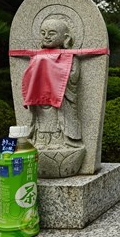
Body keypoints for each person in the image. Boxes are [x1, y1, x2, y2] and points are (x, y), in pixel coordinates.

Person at [29, 16, 82, 151]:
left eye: (52, 33)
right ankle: (41, 139)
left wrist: (56, 77)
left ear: (65, 38)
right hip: (41, 95)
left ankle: (58, 140)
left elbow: (74, 76)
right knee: (41, 119)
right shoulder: (38, 56)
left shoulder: (70, 56)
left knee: (58, 119)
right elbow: (31, 75)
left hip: (60, 95)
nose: (46, 37)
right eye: (43, 33)